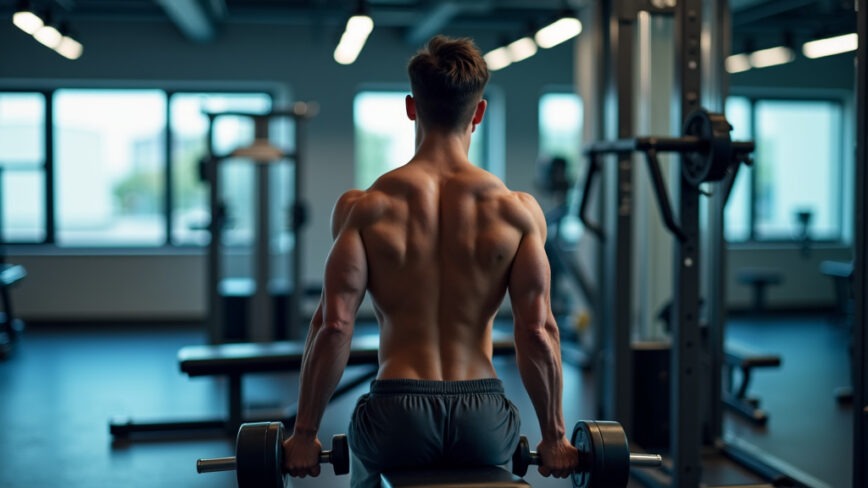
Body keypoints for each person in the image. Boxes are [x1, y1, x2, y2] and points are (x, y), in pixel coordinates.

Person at [283, 35, 579, 487]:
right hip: (483, 416)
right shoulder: (517, 211)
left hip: (396, 415)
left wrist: (304, 433)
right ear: (478, 112)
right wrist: (555, 436)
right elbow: (537, 330)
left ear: (410, 107)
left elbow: (333, 326)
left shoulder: (365, 207)